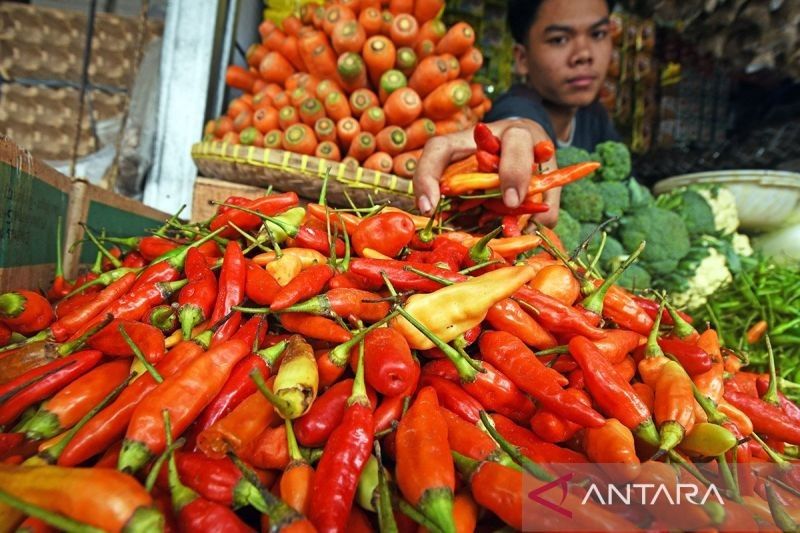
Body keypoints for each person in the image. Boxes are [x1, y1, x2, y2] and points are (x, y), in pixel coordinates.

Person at [413, 0, 618, 227]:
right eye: (559, 39)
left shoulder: (595, 116)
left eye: (598, 34)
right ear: (521, 58)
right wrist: (520, 129)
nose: (584, 54)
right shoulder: (515, 106)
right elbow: (519, 124)